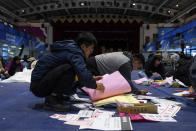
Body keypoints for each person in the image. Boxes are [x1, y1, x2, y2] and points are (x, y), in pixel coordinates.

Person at [30, 32, 105, 112]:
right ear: (83, 46)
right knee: (70, 69)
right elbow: (82, 73)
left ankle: (58, 96)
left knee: (75, 71)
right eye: (91, 48)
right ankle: (52, 100)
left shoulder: (71, 50)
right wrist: (94, 85)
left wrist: (92, 78)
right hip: (38, 86)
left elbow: (81, 75)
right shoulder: (75, 53)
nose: (92, 51)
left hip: (41, 83)